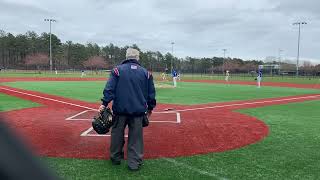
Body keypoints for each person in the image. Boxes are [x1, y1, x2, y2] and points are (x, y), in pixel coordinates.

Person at [99, 48, 156, 171]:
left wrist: (104, 103)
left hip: (119, 110)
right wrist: (150, 108)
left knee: (116, 134)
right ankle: (134, 163)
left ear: (126, 56)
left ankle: (115, 158)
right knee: (136, 138)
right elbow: (151, 94)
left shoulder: (117, 70)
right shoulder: (146, 73)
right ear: (137, 58)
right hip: (138, 112)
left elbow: (110, 88)